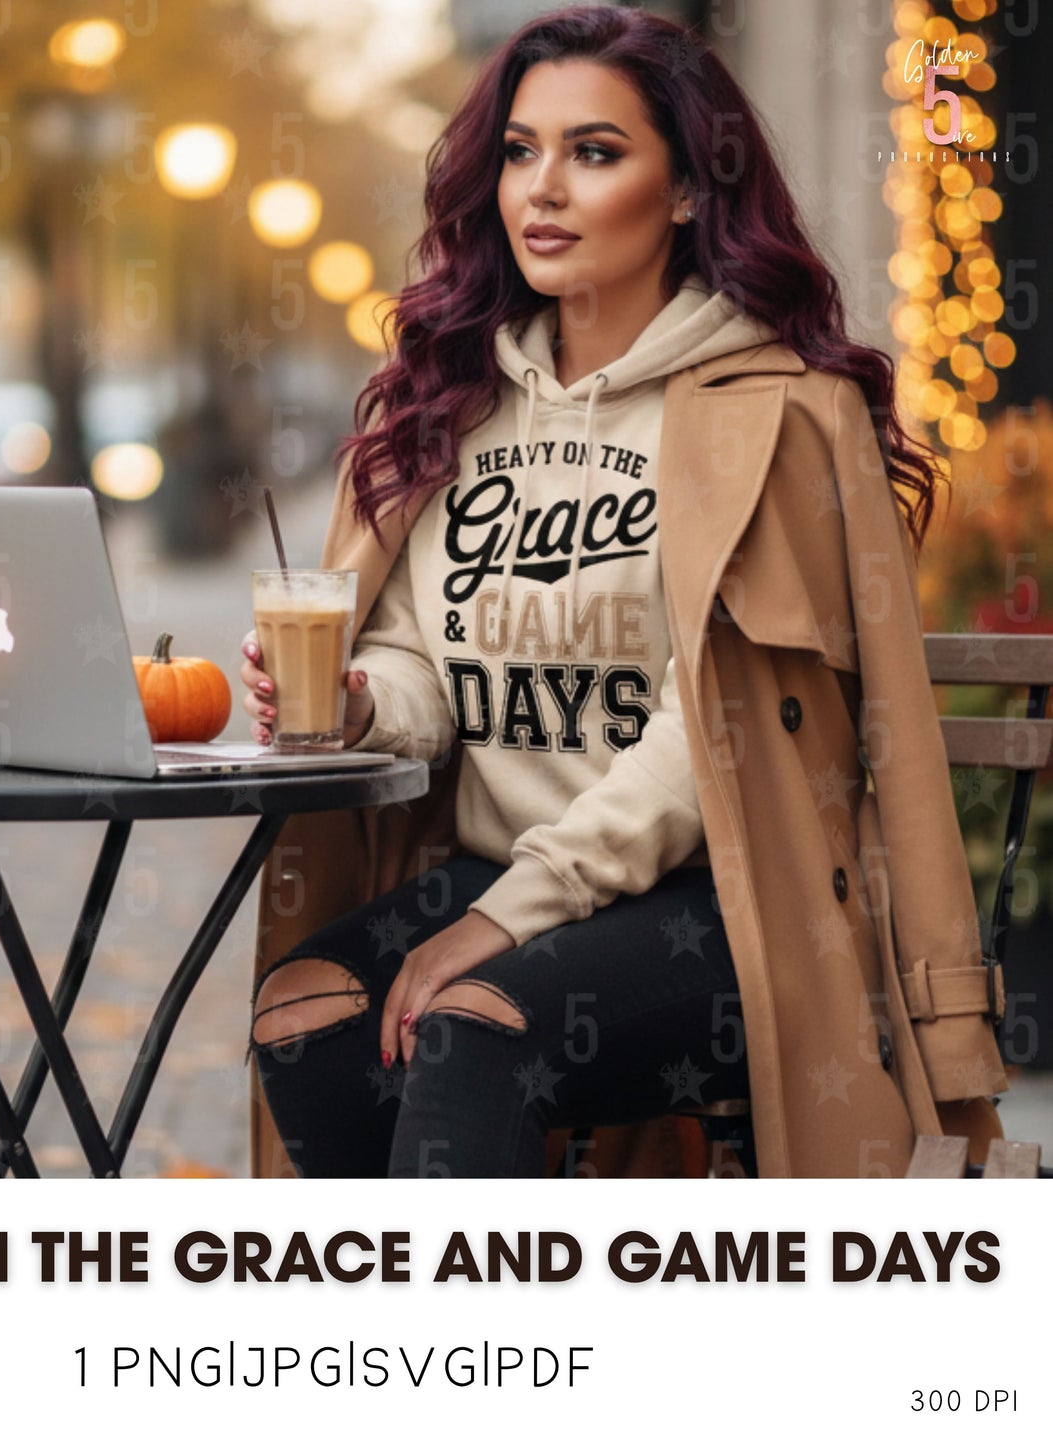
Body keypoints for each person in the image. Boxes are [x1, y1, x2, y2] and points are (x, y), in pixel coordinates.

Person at [237, 7, 1006, 1178]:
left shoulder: (777, 414)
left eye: (593, 152)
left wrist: (503, 918)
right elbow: (416, 664)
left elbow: (712, 728)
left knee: (467, 1021)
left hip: (723, 903)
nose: (541, 188)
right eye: (518, 150)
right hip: (498, 872)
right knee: (306, 1016)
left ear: (687, 189)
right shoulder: (455, 404)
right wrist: (354, 704)